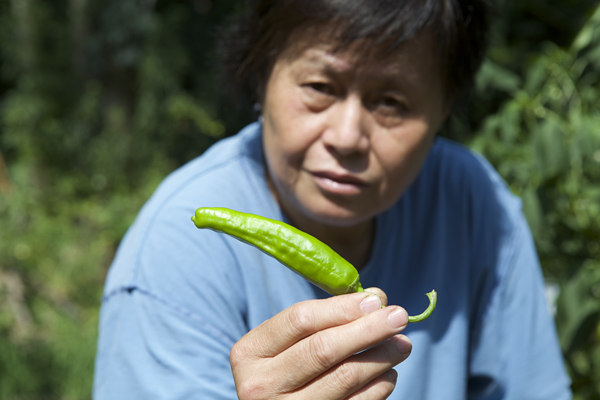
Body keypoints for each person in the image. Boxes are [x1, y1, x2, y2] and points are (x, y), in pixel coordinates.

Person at [93, 0, 572, 399]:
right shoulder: (174, 250)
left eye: (391, 103)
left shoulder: (474, 201)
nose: (347, 138)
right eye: (320, 88)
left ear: (443, 109)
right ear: (262, 76)